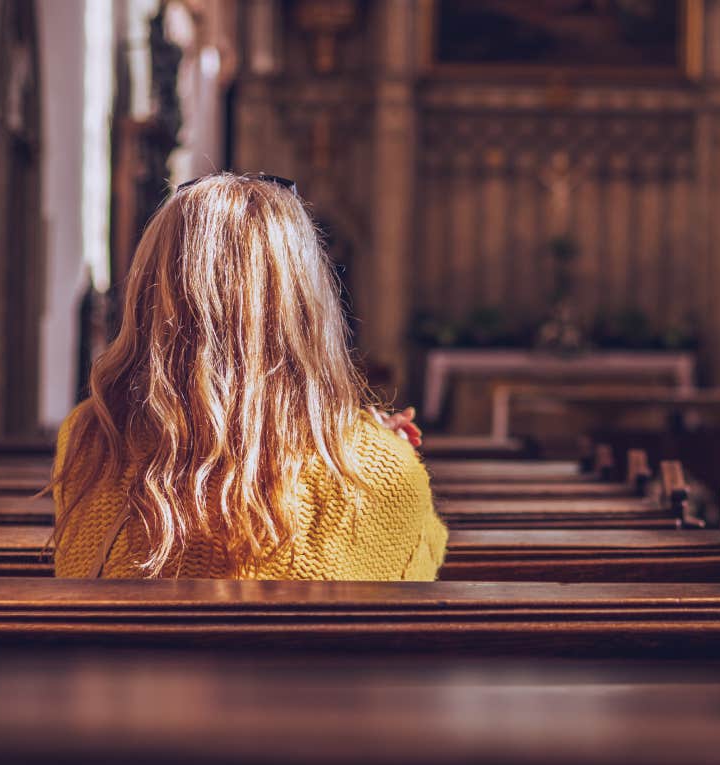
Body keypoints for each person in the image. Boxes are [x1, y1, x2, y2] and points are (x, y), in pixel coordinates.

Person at [48, 172, 445, 580]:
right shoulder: (384, 471)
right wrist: (380, 450)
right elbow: (413, 577)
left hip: (116, 648)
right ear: (306, 306)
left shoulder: (92, 440)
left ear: (151, 296)